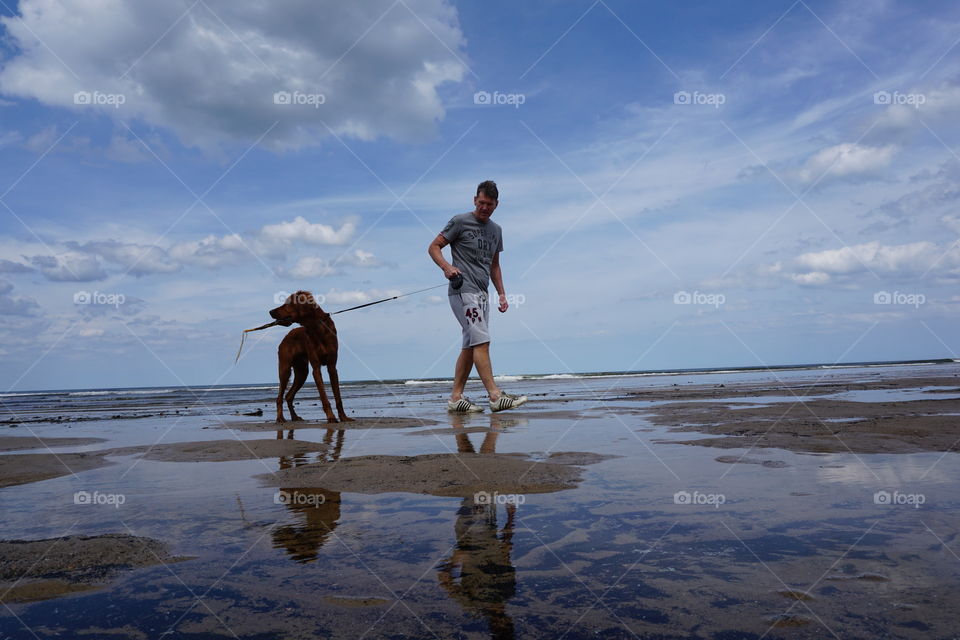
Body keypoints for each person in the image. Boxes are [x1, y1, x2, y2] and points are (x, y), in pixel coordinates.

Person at [428, 180, 527, 413]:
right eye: (481, 203)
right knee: (482, 341)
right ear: (475, 200)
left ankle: (455, 398)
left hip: (482, 294)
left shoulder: (496, 231)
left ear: (496, 205)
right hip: (462, 290)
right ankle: (494, 395)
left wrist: (502, 294)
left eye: (489, 204)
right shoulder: (460, 221)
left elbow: (495, 266)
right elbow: (434, 247)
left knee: (470, 345)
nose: (484, 207)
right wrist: (446, 267)